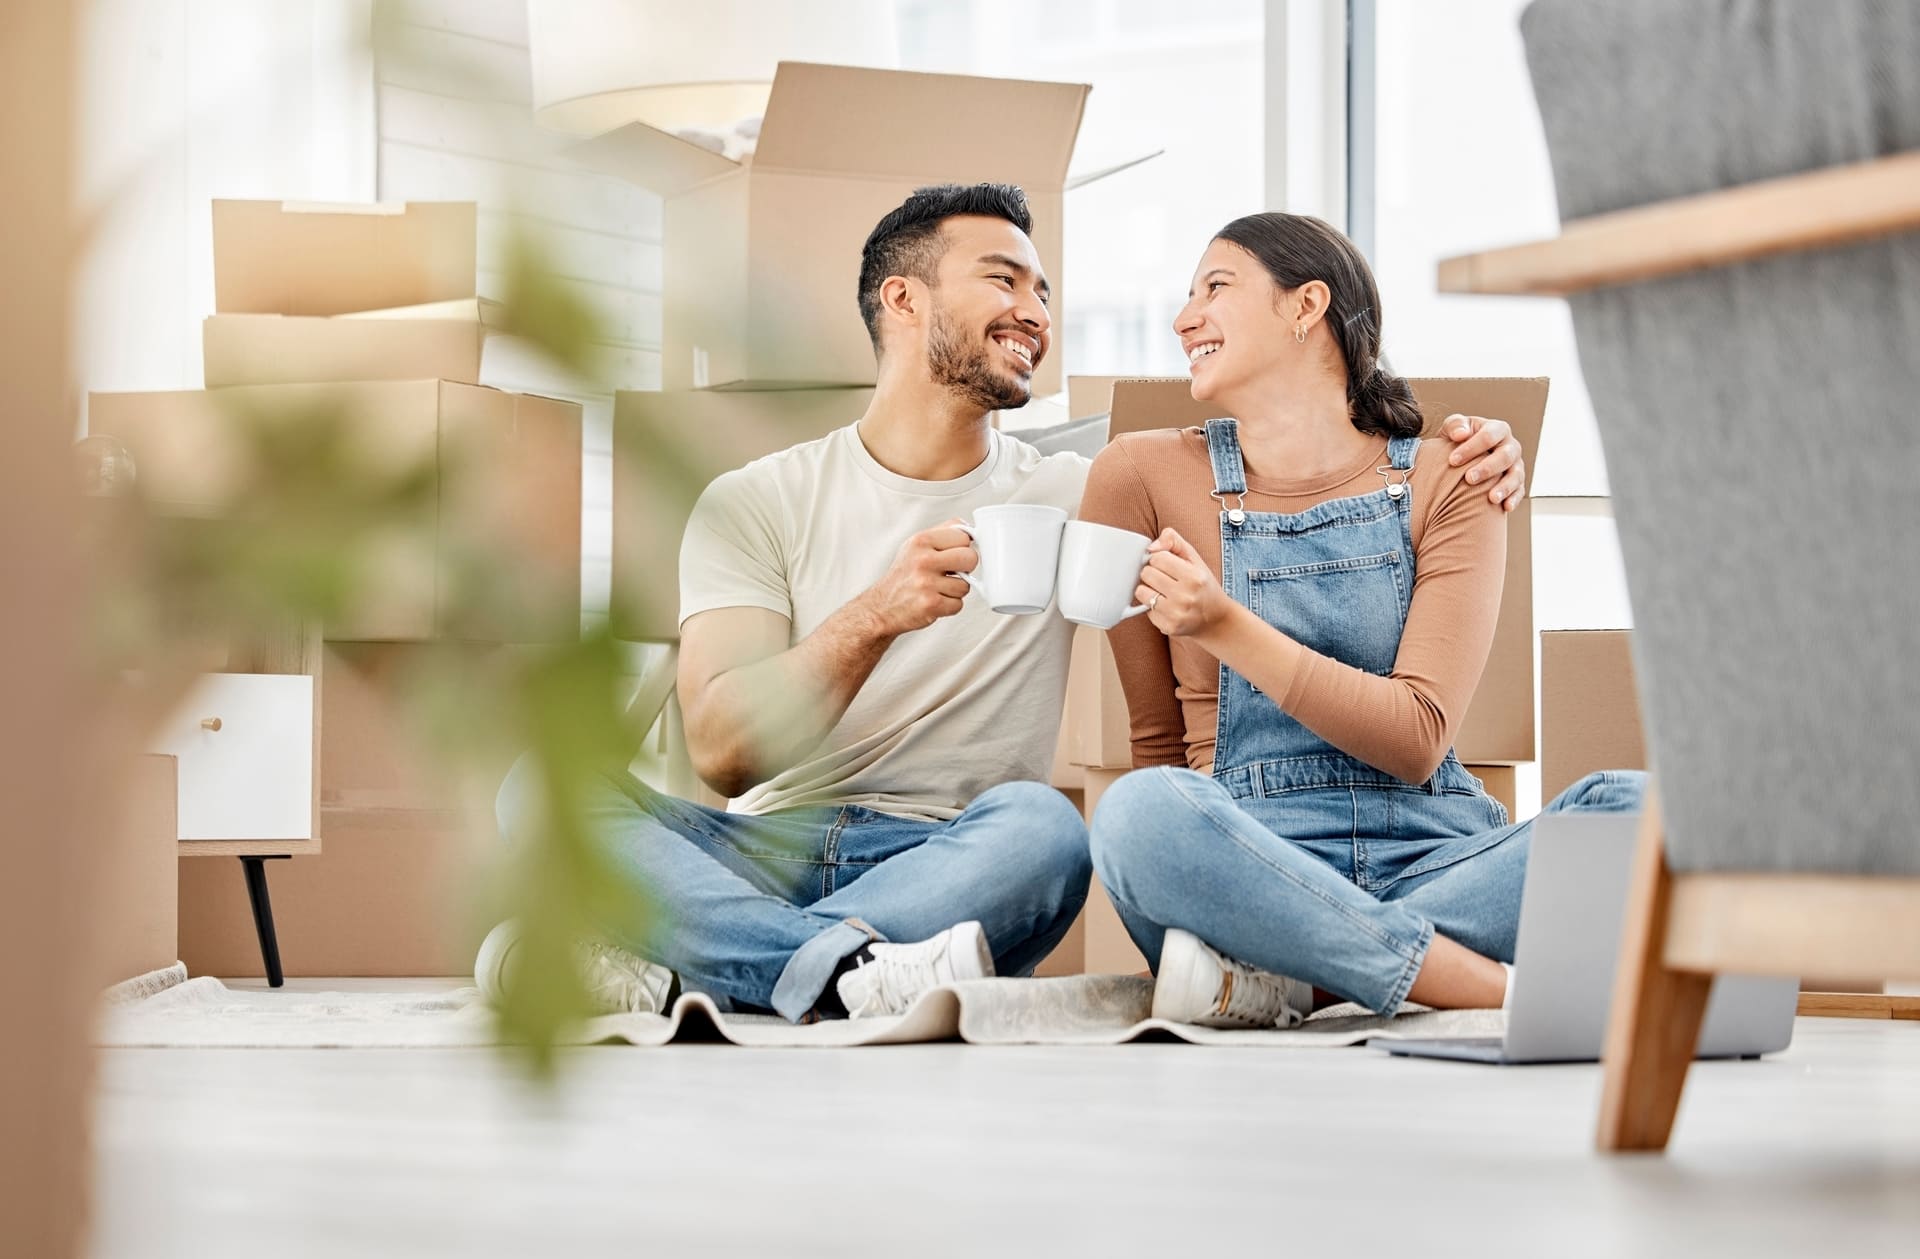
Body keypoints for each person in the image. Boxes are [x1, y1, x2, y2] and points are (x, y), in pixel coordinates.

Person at [486, 187, 1532, 1024]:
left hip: (957, 857)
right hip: (762, 847)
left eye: (1043, 289)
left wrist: (1484, 444)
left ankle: (689, 956)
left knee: (1046, 829)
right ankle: (832, 967)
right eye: (1004, 278)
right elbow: (721, 754)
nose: (1036, 310)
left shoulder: (1084, 488)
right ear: (902, 299)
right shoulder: (754, 499)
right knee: (537, 788)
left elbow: (1296, 449)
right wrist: (876, 612)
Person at [1080, 212, 1643, 1029]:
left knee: (1641, 811)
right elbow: (1158, 744)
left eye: (1214, 287)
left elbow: (1417, 737)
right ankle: (1484, 986)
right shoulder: (1137, 474)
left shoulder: (1454, 474)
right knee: (1137, 814)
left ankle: (1301, 978)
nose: (1183, 318)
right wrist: (1197, 885)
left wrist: (1223, 624)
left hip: (1437, 859)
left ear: (1305, 305)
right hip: (1254, 862)